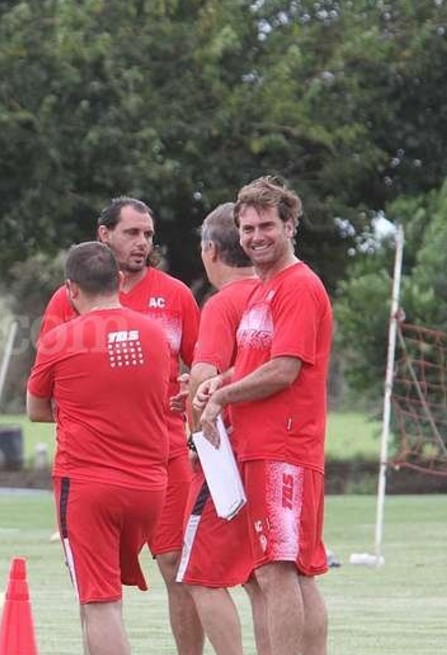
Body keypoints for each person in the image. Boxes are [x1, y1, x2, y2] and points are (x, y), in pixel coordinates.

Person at [40, 196, 202, 654]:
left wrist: (193, 391)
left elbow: (203, 365)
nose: (142, 242)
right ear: (104, 234)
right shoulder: (67, 299)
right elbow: (47, 379)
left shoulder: (176, 295)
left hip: (165, 454)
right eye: (132, 233)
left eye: (148, 234)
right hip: (94, 462)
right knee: (96, 585)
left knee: (176, 565)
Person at [195, 176, 332, 655]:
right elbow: (260, 361)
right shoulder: (262, 290)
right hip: (261, 447)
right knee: (291, 569)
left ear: (290, 226)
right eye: (248, 228)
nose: (256, 237)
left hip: (284, 447)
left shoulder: (299, 286)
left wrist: (224, 397)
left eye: (267, 225)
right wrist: (221, 380)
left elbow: (284, 369)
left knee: (277, 569)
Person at [27, 242, 172, 655]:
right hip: (149, 486)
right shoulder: (156, 334)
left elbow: (36, 409)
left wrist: (79, 412)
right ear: (120, 280)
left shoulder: (58, 340)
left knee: (99, 602)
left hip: (88, 485)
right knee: (105, 597)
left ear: (70, 289)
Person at [175, 203, 269, 655]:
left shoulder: (222, 303)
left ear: (210, 250)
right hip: (266, 451)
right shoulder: (271, 293)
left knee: (201, 576)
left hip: (225, 457)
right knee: (262, 579)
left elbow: (203, 374)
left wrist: (196, 434)